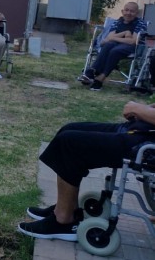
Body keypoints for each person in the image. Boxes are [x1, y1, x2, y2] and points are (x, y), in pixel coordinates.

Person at [18, 100, 155, 241]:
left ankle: (63, 220)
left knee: (69, 143)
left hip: (145, 145)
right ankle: (67, 206)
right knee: (69, 129)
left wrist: (139, 109)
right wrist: (146, 110)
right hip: (141, 130)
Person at [81, 2, 147, 91]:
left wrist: (115, 38)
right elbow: (108, 39)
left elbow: (133, 41)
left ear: (137, 13)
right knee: (109, 45)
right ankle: (93, 71)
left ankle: (99, 77)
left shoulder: (140, 23)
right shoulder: (117, 22)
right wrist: (125, 33)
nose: (128, 13)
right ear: (122, 11)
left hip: (133, 48)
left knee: (115, 50)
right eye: (126, 10)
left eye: (132, 11)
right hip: (116, 45)